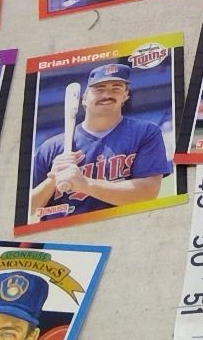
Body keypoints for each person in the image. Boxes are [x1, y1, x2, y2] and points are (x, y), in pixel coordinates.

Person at [28, 62, 172, 223]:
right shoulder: (51, 147)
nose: (107, 94)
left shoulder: (145, 133)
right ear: (84, 98)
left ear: (126, 95)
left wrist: (86, 184)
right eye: (99, 89)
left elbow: (147, 194)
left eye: (116, 88)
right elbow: (30, 208)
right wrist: (53, 179)